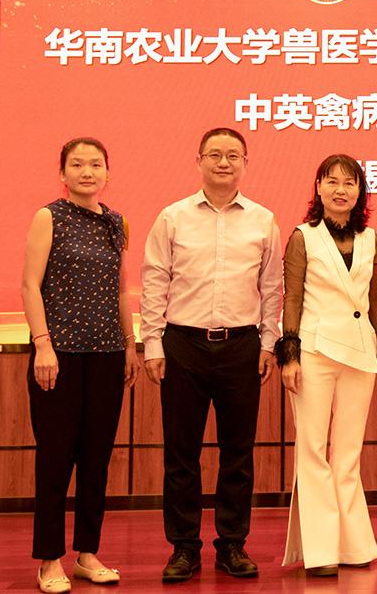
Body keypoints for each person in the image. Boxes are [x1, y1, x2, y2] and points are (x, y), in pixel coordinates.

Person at [140, 127, 283, 583]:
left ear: (245, 163)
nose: (224, 162)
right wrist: (152, 342)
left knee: (237, 452)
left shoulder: (263, 220)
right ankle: (184, 548)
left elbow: (272, 288)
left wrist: (268, 343)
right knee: (180, 453)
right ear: (199, 160)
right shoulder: (173, 217)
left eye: (233, 155)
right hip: (183, 345)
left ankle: (232, 544)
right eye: (215, 154)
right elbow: (155, 280)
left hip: (241, 346)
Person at [21, 138, 140, 593]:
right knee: (55, 459)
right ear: (63, 174)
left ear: (108, 173)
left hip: (107, 356)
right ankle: (49, 560)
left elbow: (121, 289)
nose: (87, 172)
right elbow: (30, 285)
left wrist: (129, 345)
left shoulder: (115, 221)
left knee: (96, 459)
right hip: (60, 357)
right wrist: (43, 345)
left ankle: (87, 554)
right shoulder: (49, 217)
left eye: (95, 164)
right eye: (77, 164)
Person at [275, 154, 377, 576]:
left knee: (347, 452)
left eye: (349, 182)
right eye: (331, 181)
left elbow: (376, 297)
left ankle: (353, 546)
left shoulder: (370, 238)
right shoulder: (303, 237)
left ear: (360, 190)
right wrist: (289, 354)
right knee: (312, 449)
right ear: (318, 188)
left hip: (360, 352)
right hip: (313, 351)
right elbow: (292, 297)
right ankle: (321, 551)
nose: (340, 190)